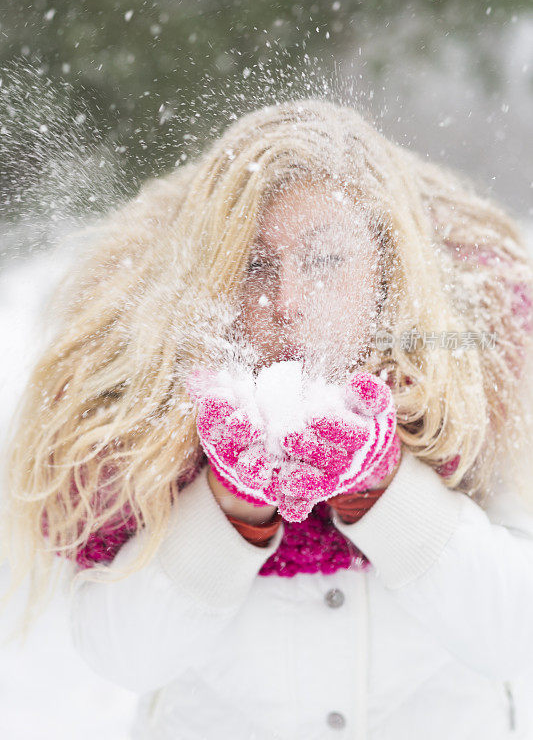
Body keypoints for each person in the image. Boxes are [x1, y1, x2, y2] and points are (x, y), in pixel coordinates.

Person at [3, 98, 533, 739]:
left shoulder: (484, 392)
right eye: (255, 265)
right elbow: (127, 655)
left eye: (327, 261)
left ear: (387, 273)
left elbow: (513, 633)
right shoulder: (145, 420)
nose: (287, 303)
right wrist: (231, 505)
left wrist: (382, 488)